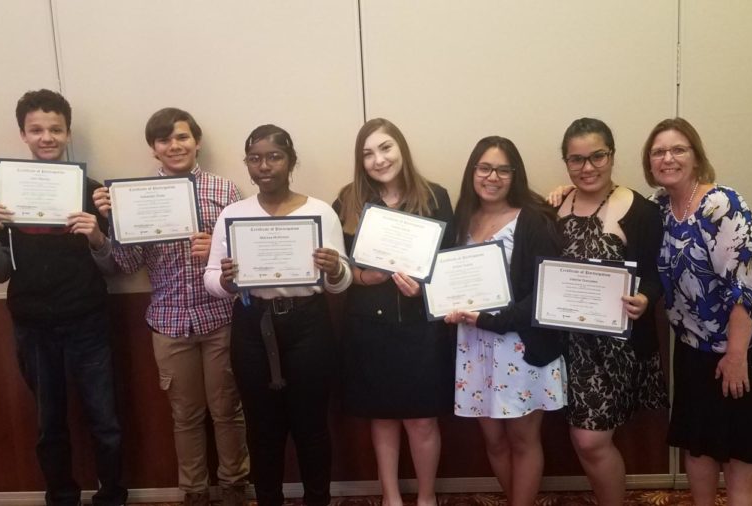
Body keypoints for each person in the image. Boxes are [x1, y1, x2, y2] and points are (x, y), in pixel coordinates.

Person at [0, 89, 127, 506]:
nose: (47, 137)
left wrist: (98, 234)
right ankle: (61, 497)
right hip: (33, 325)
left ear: (68, 133)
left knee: (105, 422)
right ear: (22, 134)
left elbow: (115, 268)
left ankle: (112, 496)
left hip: (88, 321)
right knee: (49, 425)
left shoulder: (94, 192)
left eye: (55, 129)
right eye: (37, 129)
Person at [93, 108, 250, 506]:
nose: (174, 146)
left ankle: (235, 486)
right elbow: (126, 266)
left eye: (181, 137)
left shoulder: (224, 190)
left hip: (221, 318)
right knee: (186, 417)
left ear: (196, 141)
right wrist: (111, 224)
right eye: (164, 140)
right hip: (169, 322)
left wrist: (215, 248)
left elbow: (248, 256)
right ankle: (194, 492)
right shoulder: (135, 197)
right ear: (153, 149)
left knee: (228, 410)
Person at [642, 117, 752, 506]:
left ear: (696, 156)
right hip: (694, 344)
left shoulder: (722, 204)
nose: (668, 158)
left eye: (678, 149)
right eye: (658, 152)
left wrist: (735, 356)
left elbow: (746, 286)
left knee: (738, 447)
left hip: (745, 344)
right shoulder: (658, 208)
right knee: (698, 443)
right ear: (649, 163)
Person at [204, 124, 352, 506]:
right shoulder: (233, 214)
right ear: (247, 165)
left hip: (309, 324)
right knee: (262, 428)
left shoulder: (320, 212)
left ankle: (317, 500)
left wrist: (335, 269)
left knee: (312, 427)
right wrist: (227, 281)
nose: (264, 166)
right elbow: (210, 281)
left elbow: (342, 281)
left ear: (291, 161)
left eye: (274, 156)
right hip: (253, 326)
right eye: (255, 158)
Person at [334, 118, 455, 506]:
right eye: (368, 153)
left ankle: (425, 496)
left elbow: (451, 263)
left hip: (420, 326)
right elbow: (338, 269)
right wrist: (364, 277)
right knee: (382, 416)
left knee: (422, 419)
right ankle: (390, 496)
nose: (378, 159)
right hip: (369, 325)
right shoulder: (347, 200)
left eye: (385, 148)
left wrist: (425, 285)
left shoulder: (435, 197)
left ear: (401, 149)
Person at [444, 136, 566, 506]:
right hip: (474, 346)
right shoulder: (461, 219)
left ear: (515, 175)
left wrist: (492, 320)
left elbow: (545, 294)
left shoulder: (535, 220)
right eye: (484, 167)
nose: (492, 176)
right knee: (493, 439)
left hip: (519, 346)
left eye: (502, 169)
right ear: (472, 172)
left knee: (522, 440)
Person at [556, 118, 668, 506]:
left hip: (616, 348)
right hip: (565, 345)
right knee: (584, 441)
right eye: (576, 159)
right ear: (566, 163)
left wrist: (646, 299)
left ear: (612, 155)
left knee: (589, 440)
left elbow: (657, 275)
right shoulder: (553, 206)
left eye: (597, 156)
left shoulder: (642, 211)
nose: (588, 167)